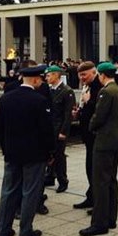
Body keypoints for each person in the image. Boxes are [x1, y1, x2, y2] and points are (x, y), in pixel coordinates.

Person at [0, 64, 55, 236]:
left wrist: (6, 149)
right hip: (34, 154)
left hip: (12, 153)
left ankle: (3, 230)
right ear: (36, 79)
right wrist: (50, 152)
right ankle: (25, 230)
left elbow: (0, 129)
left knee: (8, 191)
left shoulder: (5, 99)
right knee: (30, 191)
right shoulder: (39, 100)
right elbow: (46, 130)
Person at [79, 62, 118, 236]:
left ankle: (99, 223)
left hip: (104, 141)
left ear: (102, 75)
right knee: (112, 181)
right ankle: (111, 218)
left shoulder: (105, 92)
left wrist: (90, 125)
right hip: (116, 140)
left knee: (100, 182)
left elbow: (98, 117)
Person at [72, 61, 103, 210]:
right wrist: (79, 111)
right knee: (89, 167)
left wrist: (87, 101)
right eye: (80, 75)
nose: (82, 78)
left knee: (95, 169)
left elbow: (99, 111)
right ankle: (91, 196)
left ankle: (96, 200)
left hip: (95, 135)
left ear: (93, 72)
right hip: (88, 135)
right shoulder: (88, 85)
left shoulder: (99, 86)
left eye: (84, 74)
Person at [44, 65, 76, 193]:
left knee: (59, 156)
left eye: (49, 75)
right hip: (50, 129)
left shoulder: (66, 91)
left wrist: (63, 131)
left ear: (56, 75)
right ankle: (50, 176)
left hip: (59, 129)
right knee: (50, 154)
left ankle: (63, 180)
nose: (47, 78)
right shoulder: (49, 90)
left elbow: (68, 114)